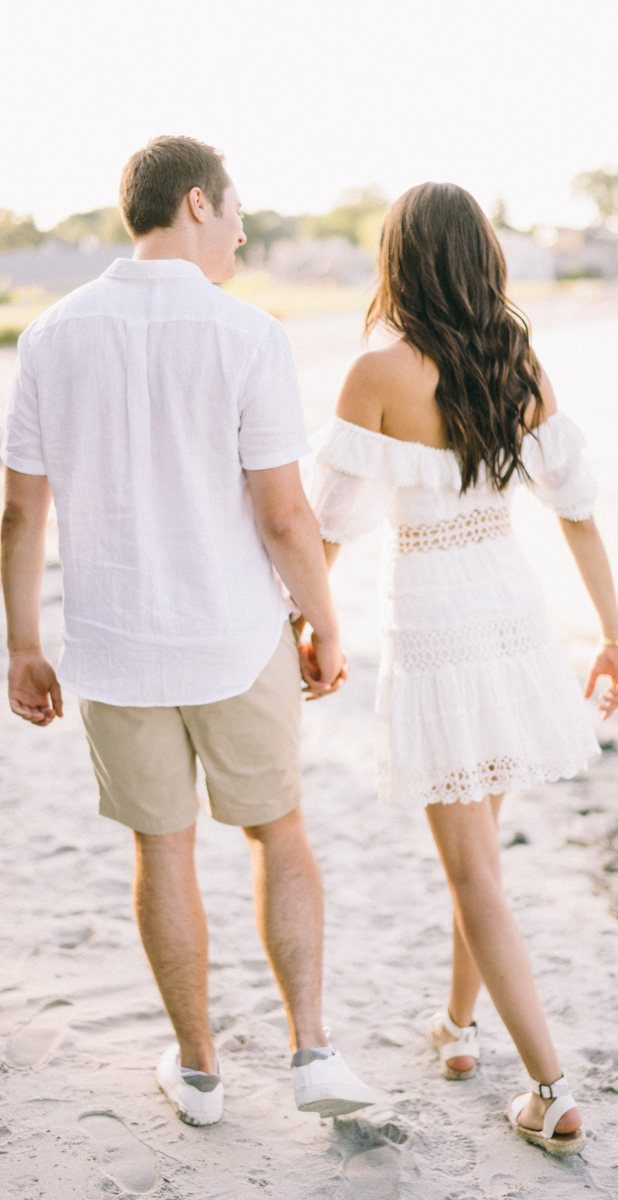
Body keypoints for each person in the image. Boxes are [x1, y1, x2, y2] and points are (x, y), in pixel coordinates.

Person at [0, 136, 374, 1127]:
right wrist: (325, 623)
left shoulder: (51, 334)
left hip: (115, 648)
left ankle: (200, 1072)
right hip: (233, 636)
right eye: (237, 212)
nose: (244, 232)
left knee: (160, 851)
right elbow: (285, 516)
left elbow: (21, 512)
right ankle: (310, 1052)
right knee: (276, 831)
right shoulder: (246, 334)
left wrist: (22, 644)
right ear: (197, 204)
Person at [307, 182, 618, 1156]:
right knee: (478, 854)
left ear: (396, 262)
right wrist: (612, 633)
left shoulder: (376, 370)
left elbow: (323, 527)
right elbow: (574, 507)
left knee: (471, 867)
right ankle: (457, 1030)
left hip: (438, 625)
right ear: (480, 258)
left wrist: (304, 627)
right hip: (510, 613)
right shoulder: (513, 358)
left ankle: (551, 1087)